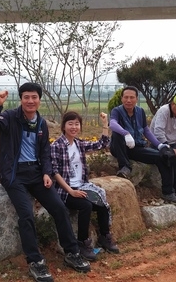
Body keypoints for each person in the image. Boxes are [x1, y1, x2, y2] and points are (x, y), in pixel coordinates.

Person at [0, 82, 90, 282]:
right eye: (26, 97)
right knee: (26, 214)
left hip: (36, 173)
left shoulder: (40, 122)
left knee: (59, 207)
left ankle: (72, 251)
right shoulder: (9, 117)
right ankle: (35, 261)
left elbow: (44, 152)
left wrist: (47, 172)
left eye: (34, 97)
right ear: (21, 99)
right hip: (14, 175)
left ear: (39, 100)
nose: (30, 101)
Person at [51, 111, 119, 262]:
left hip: (82, 186)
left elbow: (102, 143)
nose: (74, 127)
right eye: (70, 124)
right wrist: (71, 191)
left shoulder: (79, 143)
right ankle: (82, 243)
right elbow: (54, 172)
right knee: (86, 206)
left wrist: (104, 124)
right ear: (63, 126)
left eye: (77, 124)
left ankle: (104, 236)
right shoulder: (57, 145)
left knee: (101, 202)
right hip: (65, 190)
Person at [109, 86, 176, 205]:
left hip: (136, 147)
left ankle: (168, 192)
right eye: (126, 97)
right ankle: (125, 166)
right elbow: (112, 123)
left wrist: (160, 145)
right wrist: (125, 133)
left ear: (136, 99)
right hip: (120, 147)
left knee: (165, 156)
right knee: (116, 134)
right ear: (122, 99)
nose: (128, 100)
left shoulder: (140, 111)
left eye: (131, 97)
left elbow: (146, 130)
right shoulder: (117, 111)